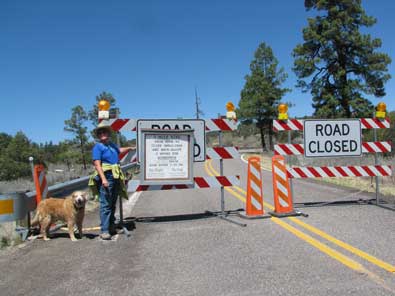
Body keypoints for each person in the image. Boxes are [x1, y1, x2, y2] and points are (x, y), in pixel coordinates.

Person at [90, 122, 135, 240]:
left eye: (104, 132)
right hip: (107, 175)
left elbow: (119, 150)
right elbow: (97, 164)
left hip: (115, 176)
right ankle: (104, 230)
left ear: (108, 133)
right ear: (98, 136)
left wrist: (129, 148)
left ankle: (111, 226)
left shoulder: (111, 145)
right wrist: (104, 179)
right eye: (100, 133)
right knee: (105, 204)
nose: (102, 134)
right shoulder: (98, 147)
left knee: (112, 202)